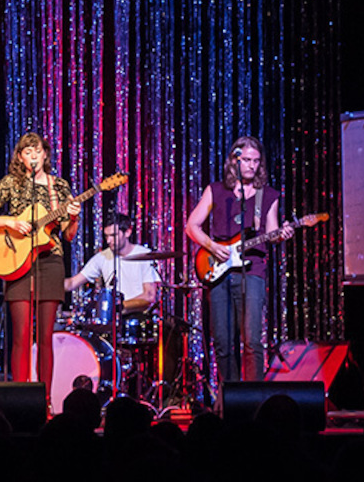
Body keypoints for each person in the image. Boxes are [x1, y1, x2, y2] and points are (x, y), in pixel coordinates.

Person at [0, 132, 80, 405]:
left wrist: (75, 217)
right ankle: (20, 400)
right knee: (21, 334)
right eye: (27, 152)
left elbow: (67, 236)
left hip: (50, 260)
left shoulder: (60, 187)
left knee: (45, 336)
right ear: (20, 157)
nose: (33, 156)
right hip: (18, 260)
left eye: (37, 151)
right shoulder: (11, 183)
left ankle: (43, 400)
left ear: (45, 154)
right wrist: (9, 222)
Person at [185, 135, 293, 383]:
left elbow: (271, 232)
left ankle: (252, 400)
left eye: (256, 161)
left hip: (252, 270)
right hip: (218, 270)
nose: (252, 165)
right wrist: (212, 246)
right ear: (235, 160)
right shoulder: (216, 190)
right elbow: (192, 226)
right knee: (223, 342)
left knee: (252, 341)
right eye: (246, 160)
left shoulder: (268, 195)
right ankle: (230, 397)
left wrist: (282, 234)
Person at [64, 213, 159, 317]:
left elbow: (149, 296)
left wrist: (118, 306)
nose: (108, 241)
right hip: (113, 319)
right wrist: (47, 285)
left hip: (139, 318)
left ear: (127, 232)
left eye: (113, 236)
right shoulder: (102, 257)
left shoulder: (146, 256)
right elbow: (72, 283)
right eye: (106, 236)